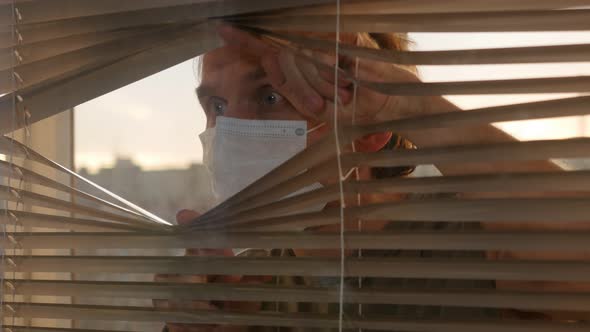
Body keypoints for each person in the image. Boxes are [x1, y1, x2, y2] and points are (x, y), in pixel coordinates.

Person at [155, 25, 588, 331]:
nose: (234, 130)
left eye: (270, 95)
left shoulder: (477, 239)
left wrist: (412, 108)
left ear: (369, 127)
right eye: (217, 106)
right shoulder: (238, 289)